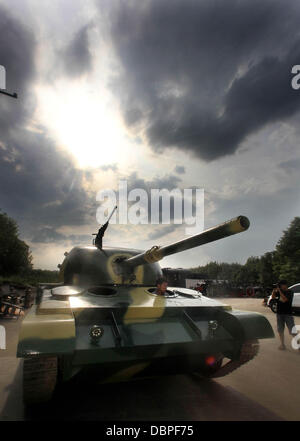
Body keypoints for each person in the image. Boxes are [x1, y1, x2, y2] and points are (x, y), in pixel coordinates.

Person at [272, 280, 296, 350]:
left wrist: (279, 290)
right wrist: (274, 290)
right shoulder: (278, 291)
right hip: (279, 314)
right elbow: (273, 297)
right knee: (280, 330)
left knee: (292, 330)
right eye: (279, 285)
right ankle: (282, 345)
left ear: (285, 285)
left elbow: (285, 299)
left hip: (288, 314)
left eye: (281, 285)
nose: (280, 286)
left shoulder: (290, 292)